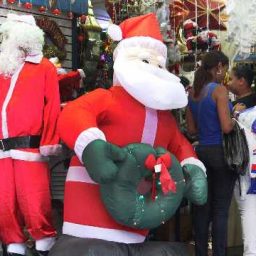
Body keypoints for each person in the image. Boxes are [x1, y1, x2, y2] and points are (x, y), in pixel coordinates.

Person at [49, 13, 207, 256]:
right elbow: (74, 112)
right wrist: (91, 146)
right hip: (90, 221)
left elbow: (180, 144)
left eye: (159, 64)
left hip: (138, 226)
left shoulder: (165, 118)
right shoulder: (107, 99)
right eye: (145, 61)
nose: (154, 70)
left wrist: (193, 168)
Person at [0, 14, 61, 256]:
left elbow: (52, 106)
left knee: (34, 200)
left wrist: (49, 140)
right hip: (3, 148)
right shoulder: (3, 68)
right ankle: (13, 242)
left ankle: (43, 241)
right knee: (5, 200)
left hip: (30, 146)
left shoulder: (44, 67)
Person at [186, 51, 237, 256]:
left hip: (201, 153)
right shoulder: (219, 91)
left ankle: (200, 252)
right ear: (218, 66)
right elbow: (226, 127)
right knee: (220, 210)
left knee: (202, 207)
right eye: (224, 68)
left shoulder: (193, 93)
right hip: (221, 153)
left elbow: (190, 130)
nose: (224, 72)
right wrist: (236, 116)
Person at [228, 65, 256, 256]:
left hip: (248, 173)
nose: (228, 83)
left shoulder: (243, 111)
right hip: (249, 170)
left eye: (231, 78)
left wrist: (234, 114)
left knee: (248, 212)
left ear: (242, 81)